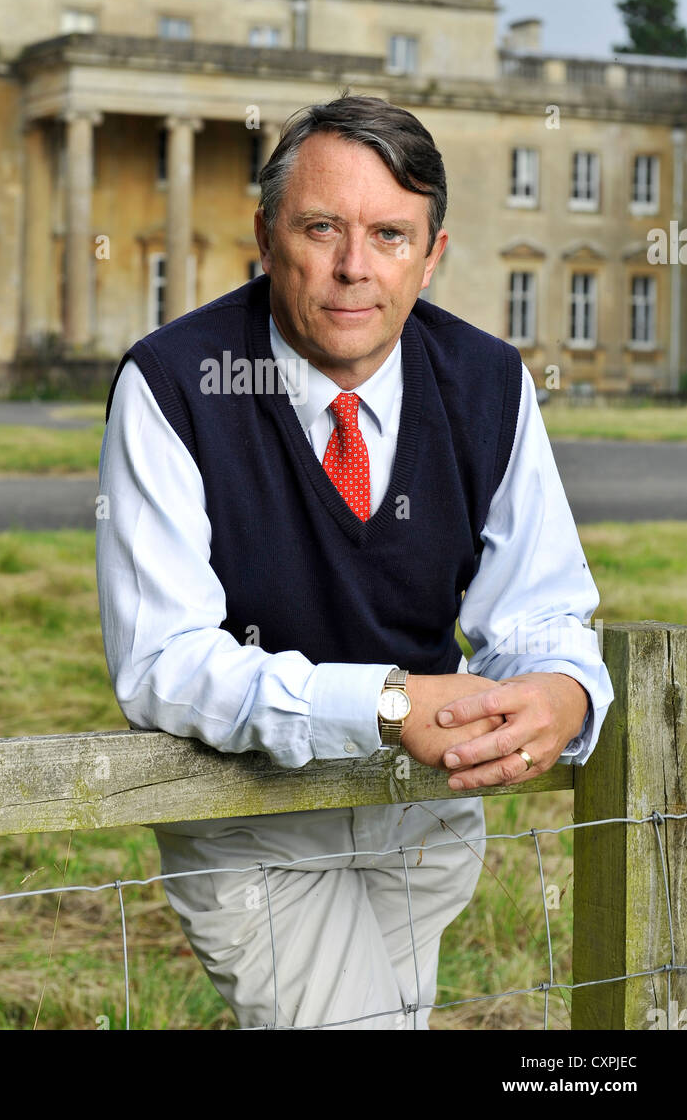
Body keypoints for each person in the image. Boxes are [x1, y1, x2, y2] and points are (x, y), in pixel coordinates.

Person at [96, 93, 614, 1030]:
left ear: (433, 254)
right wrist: (380, 704)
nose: (352, 269)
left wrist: (564, 694)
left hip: (426, 822)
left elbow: (538, 611)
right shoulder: (173, 383)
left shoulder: (488, 381)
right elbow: (161, 662)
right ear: (263, 235)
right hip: (256, 827)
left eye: (388, 234)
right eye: (321, 228)